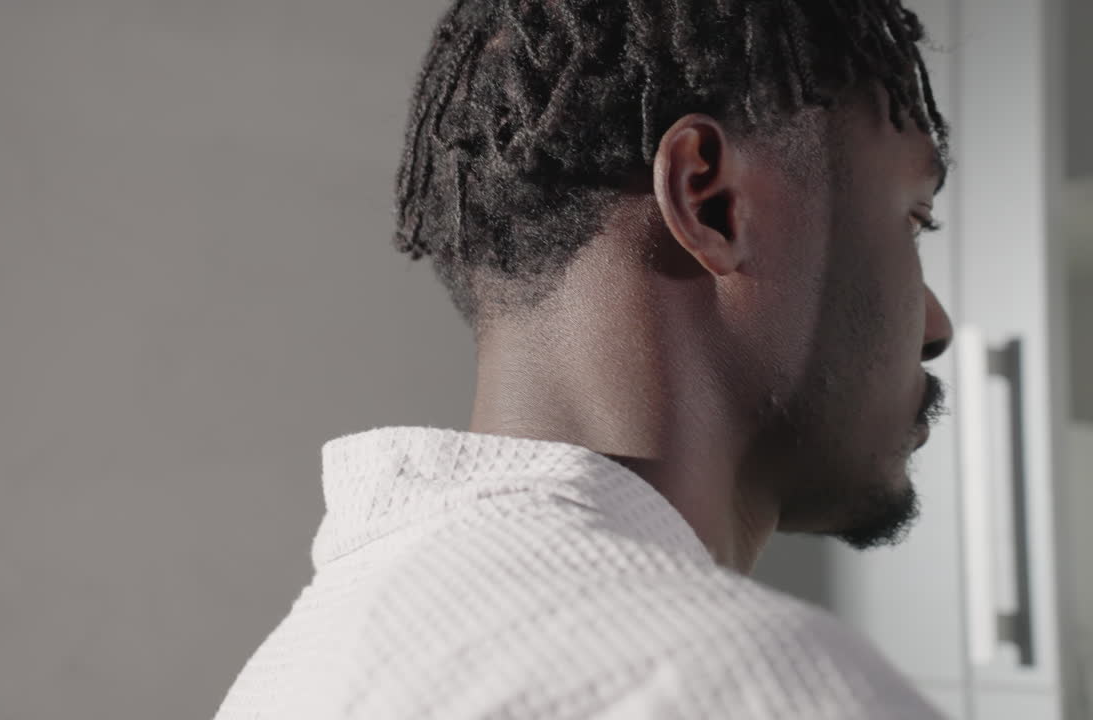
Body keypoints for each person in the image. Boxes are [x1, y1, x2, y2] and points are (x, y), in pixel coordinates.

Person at [215, 0, 954, 717]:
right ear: (712, 202)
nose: (937, 325)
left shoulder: (300, 666)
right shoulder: (752, 682)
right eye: (913, 220)